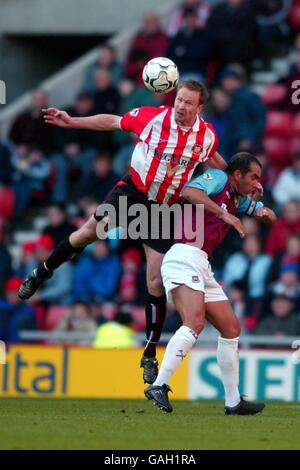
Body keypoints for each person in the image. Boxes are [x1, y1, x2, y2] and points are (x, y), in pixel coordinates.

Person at [18, 80, 230, 384]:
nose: (181, 107)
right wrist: (73, 121)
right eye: (179, 100)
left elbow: (217, 164)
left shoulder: (205, 137)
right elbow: (114, 122)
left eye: (188, 103)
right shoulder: (153, 118)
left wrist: (236, 181)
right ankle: (42, 272)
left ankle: (149, 353)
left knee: (156, 281)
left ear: (200, 108)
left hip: (162, 209)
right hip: (132, 194)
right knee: (85, 235)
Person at [144, 153, 276, 414]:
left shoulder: (235, 200)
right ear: (237, 174)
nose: (256, 182)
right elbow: (190, 192)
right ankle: (159, 385)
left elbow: (268, 217)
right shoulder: (218, 179)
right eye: (253, 177)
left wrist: (260, 208)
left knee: (231, 328)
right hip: (183, 255)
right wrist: (225, 216)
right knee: (194, 322)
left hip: (202, 263)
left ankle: (233, 401)